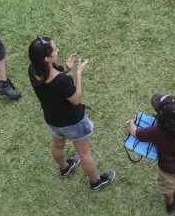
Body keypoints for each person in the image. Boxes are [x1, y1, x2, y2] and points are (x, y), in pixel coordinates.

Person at [28, 35, 116, 190]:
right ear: (47, 58)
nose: (58, 50)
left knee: (57, 144)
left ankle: (64, 167)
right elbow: (76, 99)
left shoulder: (33, 69)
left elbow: (52, 77)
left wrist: (66, 69)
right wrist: (78, 73)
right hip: (72, 122)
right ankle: (95, 182)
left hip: (52, 119)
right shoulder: (62, 80)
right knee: (84, 154)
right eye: (55, 49)